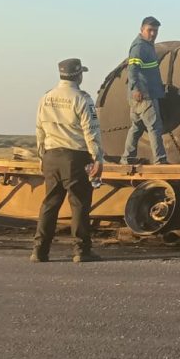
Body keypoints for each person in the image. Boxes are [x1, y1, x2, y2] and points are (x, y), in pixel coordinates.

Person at [32, 58, 105, 263]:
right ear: (78, 75)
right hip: (75, 156)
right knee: (79, 203)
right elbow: (90, 131)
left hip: (51, 155)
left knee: (50, 203)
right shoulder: (82, 98)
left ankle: (39, 250)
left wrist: (42, 156)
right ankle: (81, 250)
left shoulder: (46, 98)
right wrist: (98, 158)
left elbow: (39, 129)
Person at [124, 15, 169, 165]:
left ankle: (127, 158)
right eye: (150, 30)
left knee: (136, 127)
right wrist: (136, 89)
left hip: (142, 94)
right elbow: (132, 70)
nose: (153, 34)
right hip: (144, 95)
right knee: (155, 127)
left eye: (155, 31)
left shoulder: (147, 45)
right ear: (142, 29)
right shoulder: (140, 47)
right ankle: (160, 160)